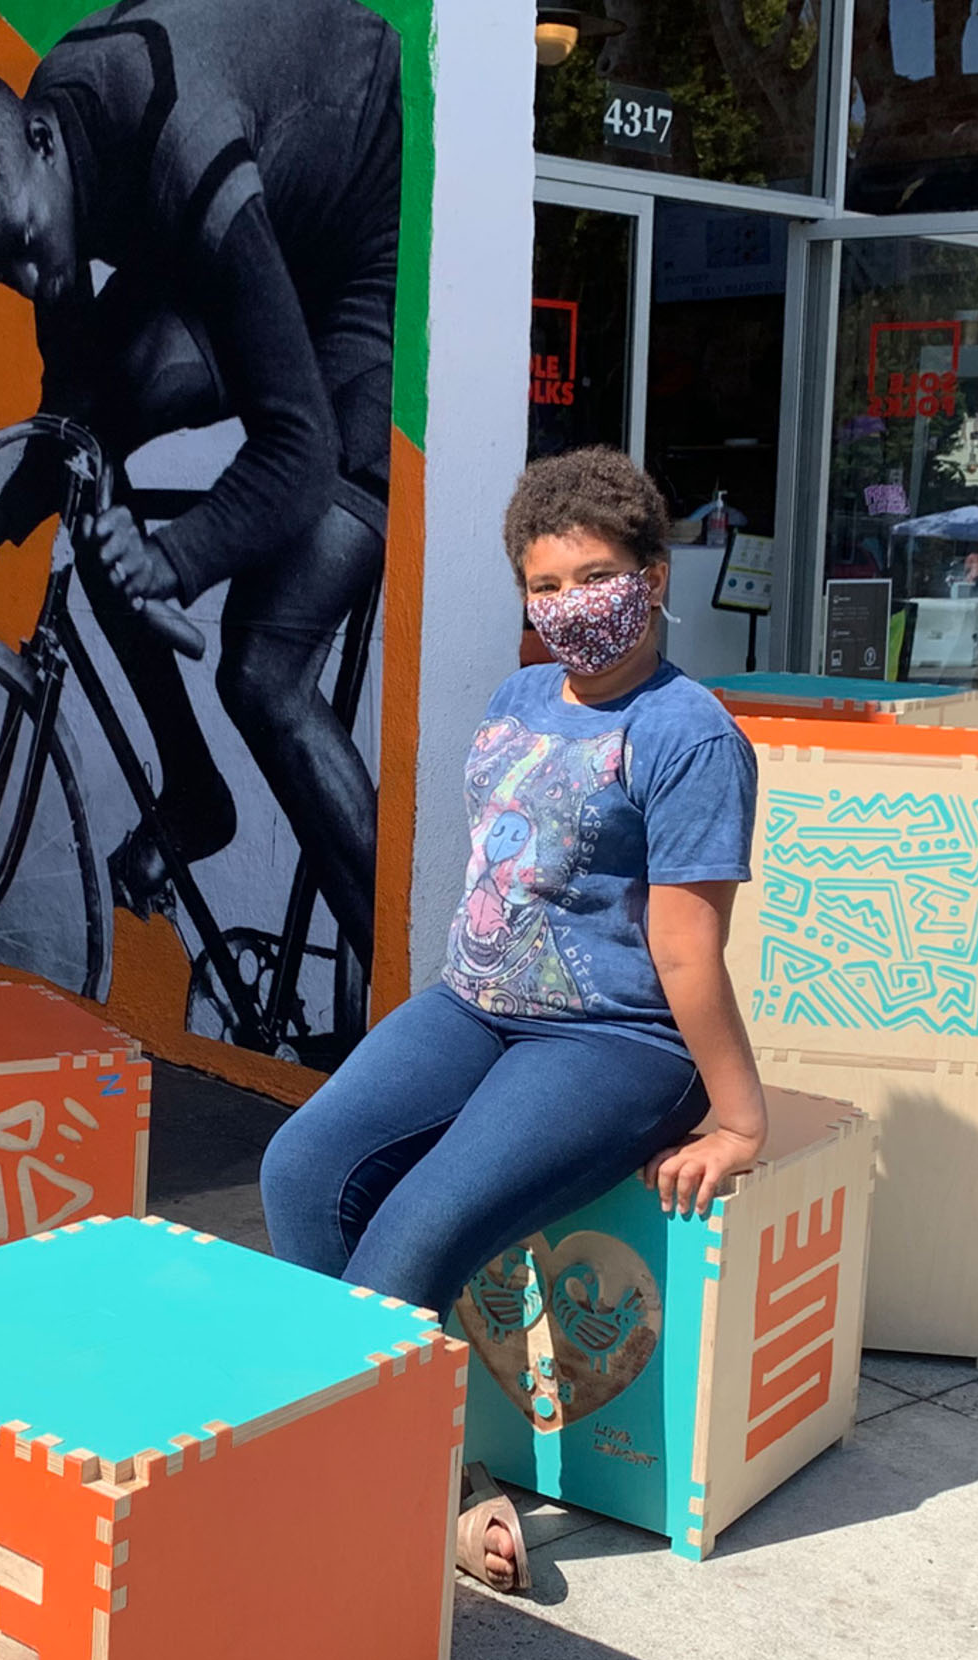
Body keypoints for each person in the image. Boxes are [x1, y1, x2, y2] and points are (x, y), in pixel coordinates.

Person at [260, 447, 768, 1590]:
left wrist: (738, 1118)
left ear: (651, 570)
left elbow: (688, 945)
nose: (569, 604)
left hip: (611, 1039)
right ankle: (418, 1462)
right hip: (476, 1002)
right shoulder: (520, 694)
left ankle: (353, 1518)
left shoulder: (690, 735)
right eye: (543, 585)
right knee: (301, 1165)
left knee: (407, 1241)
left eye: (594, 574)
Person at [0, 0, 401, 971]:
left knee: (261, 677)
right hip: (247, 244)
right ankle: (192, 790)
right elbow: (76, 410)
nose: (30, 282)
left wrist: (174, 555)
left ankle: (424, 1009)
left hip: (346, 270)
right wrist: (5, 508)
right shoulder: (58, 157)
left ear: (42, 141)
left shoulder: (182, 143)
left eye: (25, 244)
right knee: (96, 483)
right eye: (0, 274)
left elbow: (299, 451)